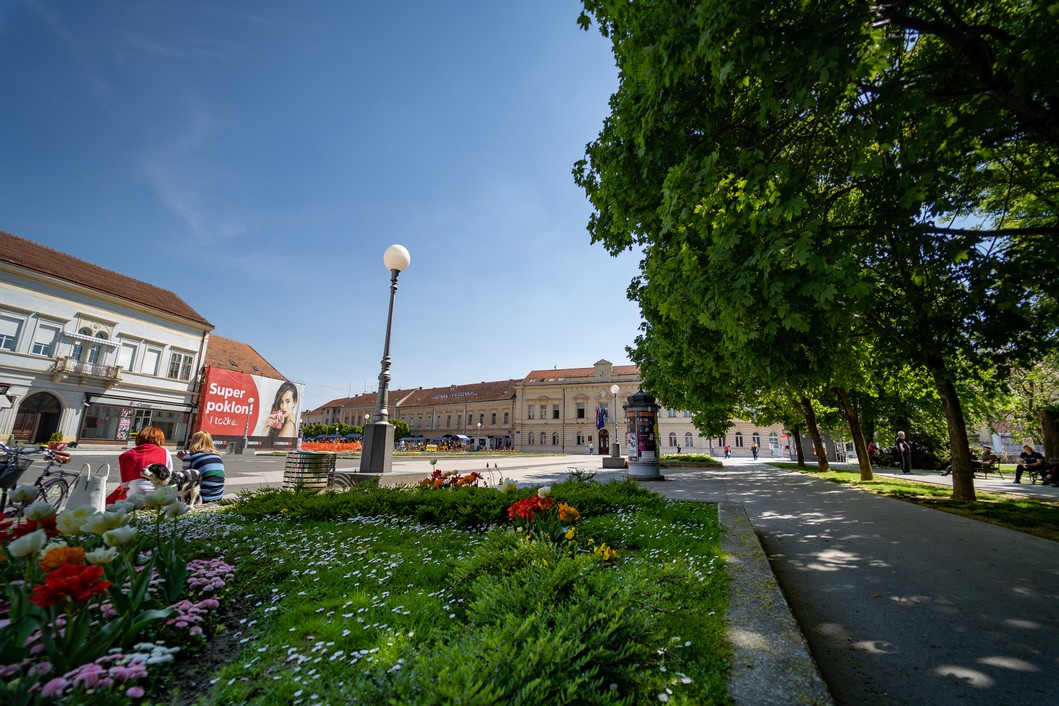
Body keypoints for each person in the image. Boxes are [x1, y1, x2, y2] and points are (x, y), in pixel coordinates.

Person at [118, 425, 171, 496]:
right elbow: (169, 475)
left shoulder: (126, 455)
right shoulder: (165, 452)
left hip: (136, 492)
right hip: (157, 492)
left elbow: (124, 484)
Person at [177, 431, 225, 502]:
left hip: (201, 498)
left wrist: (185, 459)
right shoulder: (217, 457)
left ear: (194, 442)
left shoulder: (190, 457)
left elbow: (185, 480)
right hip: (218, 496)